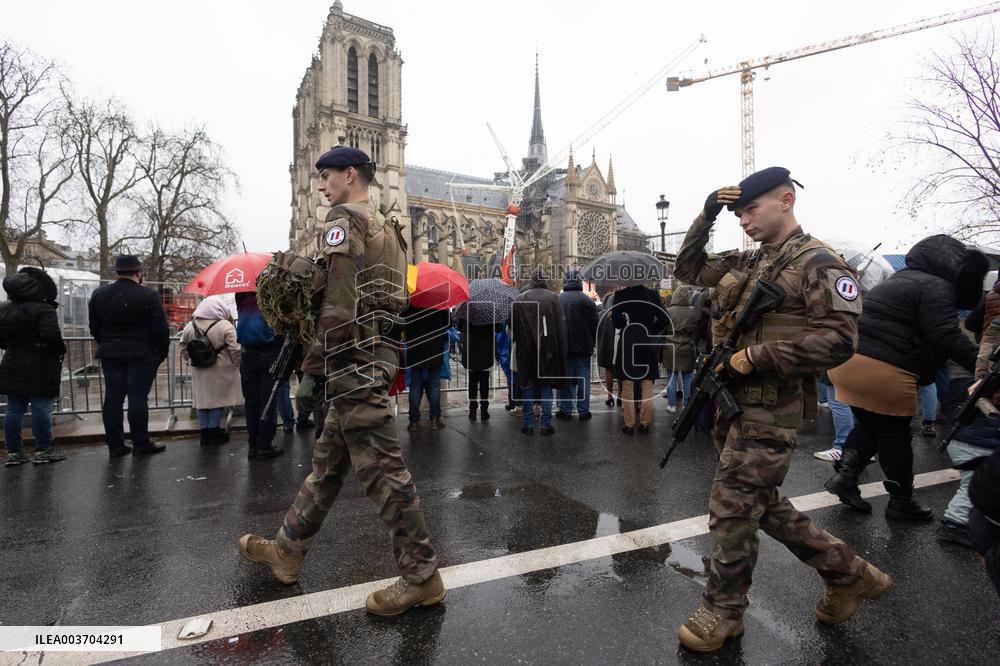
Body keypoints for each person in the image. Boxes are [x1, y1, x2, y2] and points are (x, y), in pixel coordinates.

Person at [672, 167, 892, 652]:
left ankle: (723, 611)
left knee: (731, 508)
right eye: (738, 213)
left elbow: (839, 342)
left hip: (771, 408)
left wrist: (755, 357)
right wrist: (706, 213)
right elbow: (686, 270)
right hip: (733, 405)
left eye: (751, 209)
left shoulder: (819, 263)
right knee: (759, 503)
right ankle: (849, 573)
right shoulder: (753, 261)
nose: (744, 220)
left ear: (786, 200)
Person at [239, 146, 444, 615]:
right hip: (377, 353)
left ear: (349, 175)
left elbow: (337, 299)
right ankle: (288, 550)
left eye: (327, 175)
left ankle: (421, 574)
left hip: (352, 358)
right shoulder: (390, 227)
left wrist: (313, 368)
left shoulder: (346, 218)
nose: (321, 184)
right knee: (328, 466)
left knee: (383, 471)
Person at [825, 234, 986, 521]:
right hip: (885, 369)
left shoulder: (899, 279)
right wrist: (983, 365)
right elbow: (945, 334)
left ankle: (846, 478)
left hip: (849, 362)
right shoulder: (937, 286)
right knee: (894, 434)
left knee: (869, 425)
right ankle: (901, 501)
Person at [88, 255, 169, 458]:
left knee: (113, 399)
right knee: (138, 398)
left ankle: (115, 445)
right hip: (141, 353)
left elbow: (95, 327)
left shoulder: (99, 295)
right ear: (138, 272)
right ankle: (141, 443)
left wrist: (107, 342)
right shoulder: (148, 296)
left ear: (117, 272)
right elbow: (160, 329)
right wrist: (161, 353)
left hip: (111, 352)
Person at [0, 267, 67, 465]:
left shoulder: (4, 308)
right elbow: (51, 336)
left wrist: (14, 347)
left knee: (13, 409)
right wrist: (59, 350)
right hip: (41, 364)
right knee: (41, 407)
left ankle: (13, 452)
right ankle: (44, 449)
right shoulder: (44, 309)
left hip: (12, 363)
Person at [511, 268, 568, 436]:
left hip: (525, 350)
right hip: (548, 349)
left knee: (528, 385)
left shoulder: (521, 298)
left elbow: (512, 326)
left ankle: (528, 424)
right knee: (545, 387)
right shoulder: (553, 298)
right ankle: (545, 424)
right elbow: (560, 327)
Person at [179, 296, 241, 446]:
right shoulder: (225, 326)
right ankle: (214, 433)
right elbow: (235, 349)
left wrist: (191, 361)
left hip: (199, 370)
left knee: (202, 401)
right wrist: (235, 364)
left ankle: (204, 434)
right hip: (221, 370)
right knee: (217, 401)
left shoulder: (190, 326)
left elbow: (183, 348)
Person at [234, 291, 285, 460]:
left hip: (248, 354)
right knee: (268, 400)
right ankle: (264, 446)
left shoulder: (241, 294)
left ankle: (253, 444)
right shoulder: (271, 292)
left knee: (251, 401)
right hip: (269, 352)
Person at [613, 283, 668, 435]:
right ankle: (645, 423)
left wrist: (625, 322)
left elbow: (616, 323)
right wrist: (651, 330)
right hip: (646, 340)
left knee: (628, 383)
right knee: (647, 382)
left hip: (628, 341)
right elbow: (664, 318)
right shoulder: (652, 294)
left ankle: (629, 424)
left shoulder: (620, 296)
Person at [556, 269, 598, 420]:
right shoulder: (588, 301)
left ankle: (566, 410)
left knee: (566, 380)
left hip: (564, 347)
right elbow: (595, 325)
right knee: (583, 381)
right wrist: (592, 342)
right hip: (584, 347)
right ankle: (583, 410)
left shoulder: (559, 299)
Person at [403, 305, 449, 432]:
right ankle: (434, 420)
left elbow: (403, 322)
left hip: (415, 349)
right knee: (434, 385)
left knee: (415, 386)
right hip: (434, 348)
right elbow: (448, 323)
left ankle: (413, 422)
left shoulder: (410, 303)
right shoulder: (440, 303)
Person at [455, 313, 501, 422]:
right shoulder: (490, 312)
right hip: (486, 350)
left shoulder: (466, 312)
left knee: (472, 381)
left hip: (471, 349)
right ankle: (484, 410)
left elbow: (460, 328)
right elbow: (499, 328)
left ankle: (472, 410)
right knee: (484, 381)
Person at [662, 284, 697, 414]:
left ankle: (671, 405)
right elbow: (696, 331)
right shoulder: (693, 311)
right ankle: (686, 404)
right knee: (688, 378)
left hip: (671, 348)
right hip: (688, 347)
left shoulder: (669, 311)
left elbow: (663, 330)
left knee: (672, 378)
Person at [813, 372, 855, 463]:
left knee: (839, 405)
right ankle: (860, 447)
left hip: (839, 369)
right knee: (855, 405)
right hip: (857, 368)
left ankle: (842, 448)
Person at [596, 289, 620, 408]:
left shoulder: (601, 315)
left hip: (605, 347)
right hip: (618, 346)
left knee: (608, 371)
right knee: (621, 372)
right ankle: (620, 395)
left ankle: (610, 396)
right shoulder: (620, 314)